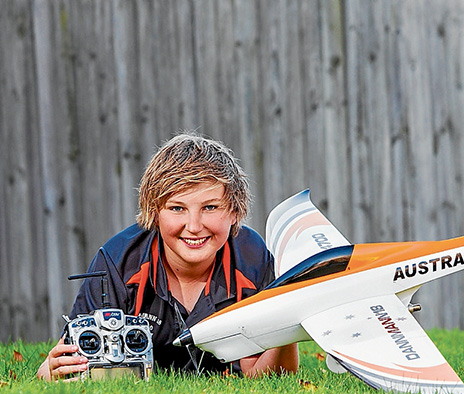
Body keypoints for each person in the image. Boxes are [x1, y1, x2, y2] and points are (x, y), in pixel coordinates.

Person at [37, 133, 298, 381]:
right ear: (155, 214)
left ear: (234, 211)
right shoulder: (118, 262)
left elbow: (264, 372)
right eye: (177, 208)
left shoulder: (252, 259)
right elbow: (75, 361)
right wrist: (50, 369)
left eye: (210, 207)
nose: (194, 226)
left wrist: (293, 315)